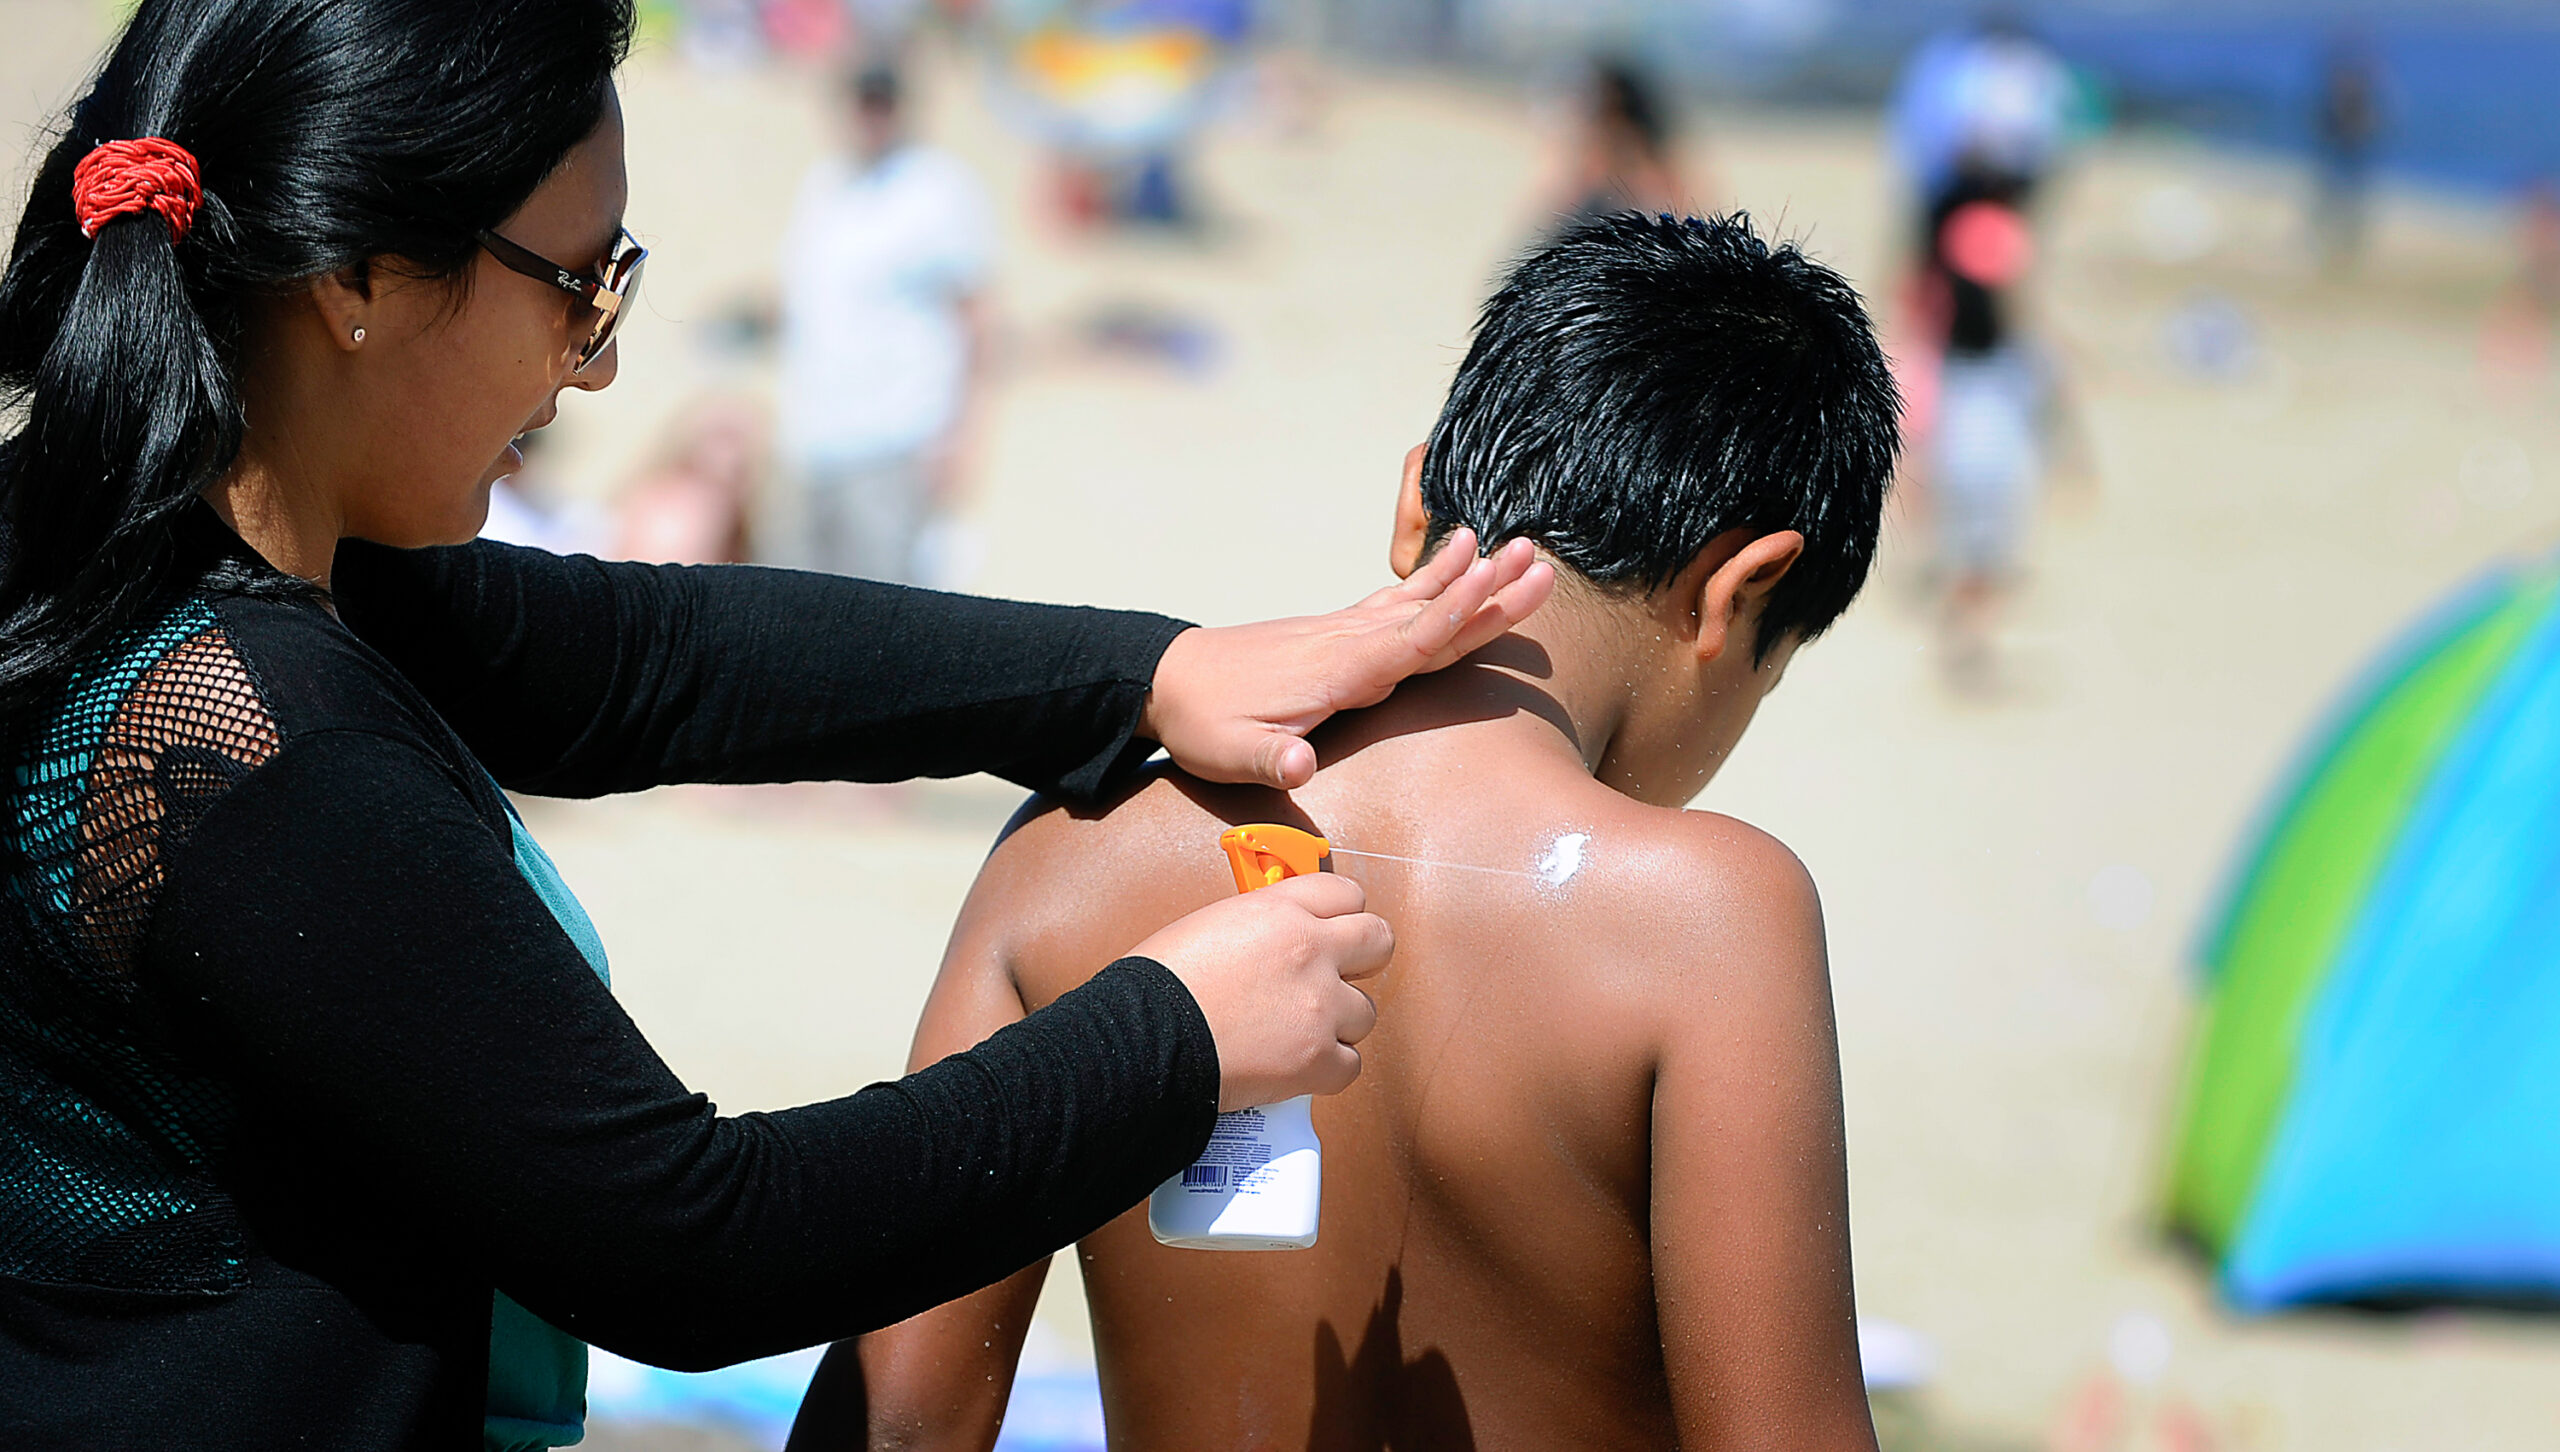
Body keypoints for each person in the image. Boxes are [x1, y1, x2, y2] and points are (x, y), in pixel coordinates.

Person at [0, 2, 1553, 1446]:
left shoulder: (114, 538)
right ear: (355, 283)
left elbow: (653, 657)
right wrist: (1176, 1038)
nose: (597, 364)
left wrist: (1152, 673)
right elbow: (691, 1241)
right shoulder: (247, 747)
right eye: (579, 282)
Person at [793, 212, 1901, 1450]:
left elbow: (898, 1424)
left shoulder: (1068, 851)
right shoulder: (1710, 918)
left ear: (1414, 501)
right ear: (1737, 591)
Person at [776, 61, 991, 585]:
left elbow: (979, 315)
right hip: (814, 435)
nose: (871, 115)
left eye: (883, 101)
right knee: (803, 602)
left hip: (896, 433)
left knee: (882, 604)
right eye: (862, 100)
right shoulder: (827, 183)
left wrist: (967, 436)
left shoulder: (937, 188)